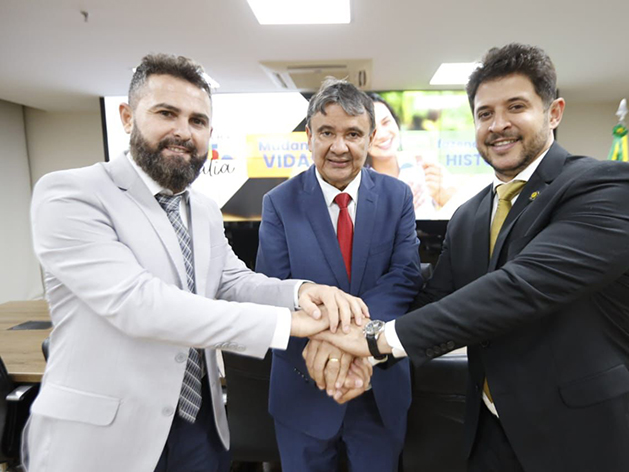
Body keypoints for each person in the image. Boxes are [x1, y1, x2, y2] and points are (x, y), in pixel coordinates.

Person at [316, 44, 629, 472]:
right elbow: (435, 299)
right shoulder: (470, 215)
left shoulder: (610, 186)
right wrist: (349, 334)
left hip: (583, 432)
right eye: (485, 114)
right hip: (490, 430)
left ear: (554, 112)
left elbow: (521, 287)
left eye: (516, 107)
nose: (498, 125)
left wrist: (375, 340)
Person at [24, 54, 367, 472]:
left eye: (198, 121)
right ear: (127, 117)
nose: (183, 132)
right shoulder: (70, 194)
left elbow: (232, 282)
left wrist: (302, 293)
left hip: (199, 429)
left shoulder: (203, 208)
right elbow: (140, 304)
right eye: (166, 113)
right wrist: (288, 323)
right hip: (105, 440)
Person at [256, 79, 423, 472]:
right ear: (309, 136)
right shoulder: (278, 203)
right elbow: (273, 288)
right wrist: (339, 348)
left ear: (371, 137)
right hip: (303, 386)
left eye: (353, 134)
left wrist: (356, 343)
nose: (339, 147)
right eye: (327, 132)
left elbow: (404, 277)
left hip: (378, 388)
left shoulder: (397, 197)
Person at [366, 93, 456, 217]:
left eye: (386, 122)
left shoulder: (424, 166)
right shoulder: (359, 185)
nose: (381, 135)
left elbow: (461, 211)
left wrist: (444, 198)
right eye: (371, 129)